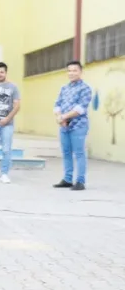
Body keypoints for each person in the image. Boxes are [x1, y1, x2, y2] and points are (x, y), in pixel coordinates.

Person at [53, 60, 92, 191]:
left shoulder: (85, 88)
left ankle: (80, 181)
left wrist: (64, 117)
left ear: (81, 72)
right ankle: (67, 179)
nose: (71, 73)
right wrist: (59, 117)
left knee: (79, 153)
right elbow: (57, 104)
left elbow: (80, 108)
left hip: (78, 126)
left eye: (75, 70)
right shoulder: (64, 88)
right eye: (69, 70)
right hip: (64, 126)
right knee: (66, 152)